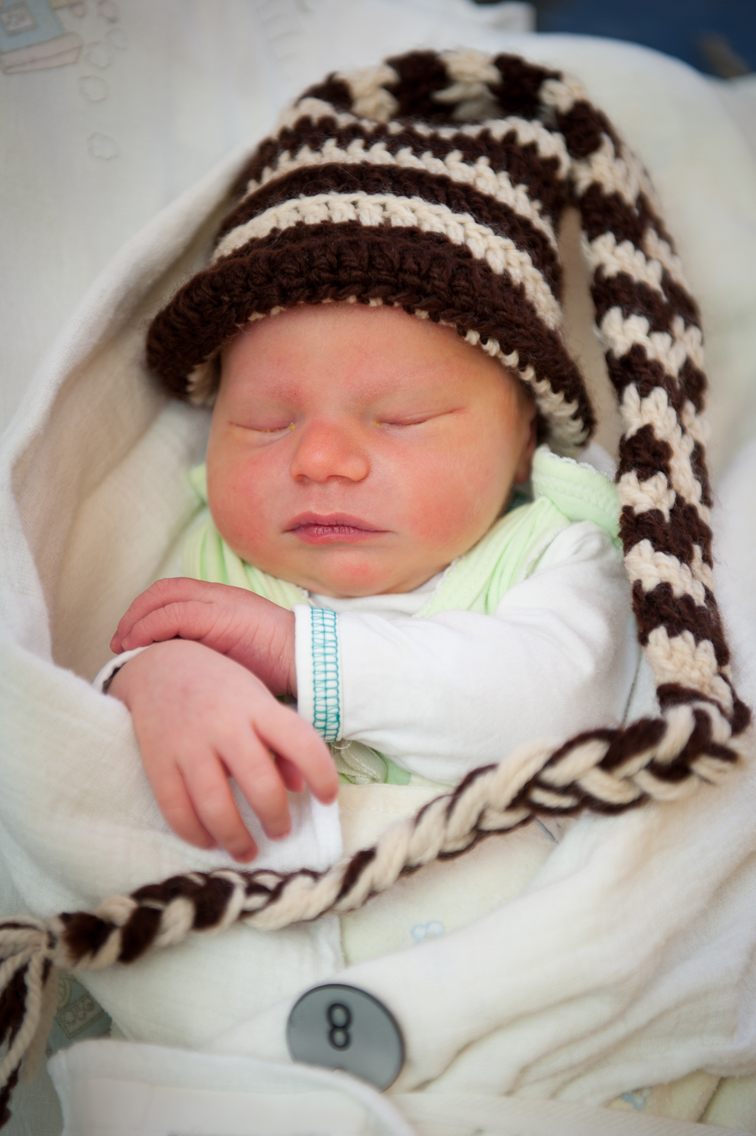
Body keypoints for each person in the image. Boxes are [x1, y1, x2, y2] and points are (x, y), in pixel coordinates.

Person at [94, 47, 719, 870]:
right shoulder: (213, 557)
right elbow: (114, 675)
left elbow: (554, 711)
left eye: (401, 418)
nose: (320, 458)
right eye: (264, 423)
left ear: (525, 445)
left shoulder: (551, 551)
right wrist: (154, 678)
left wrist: (300, 652)